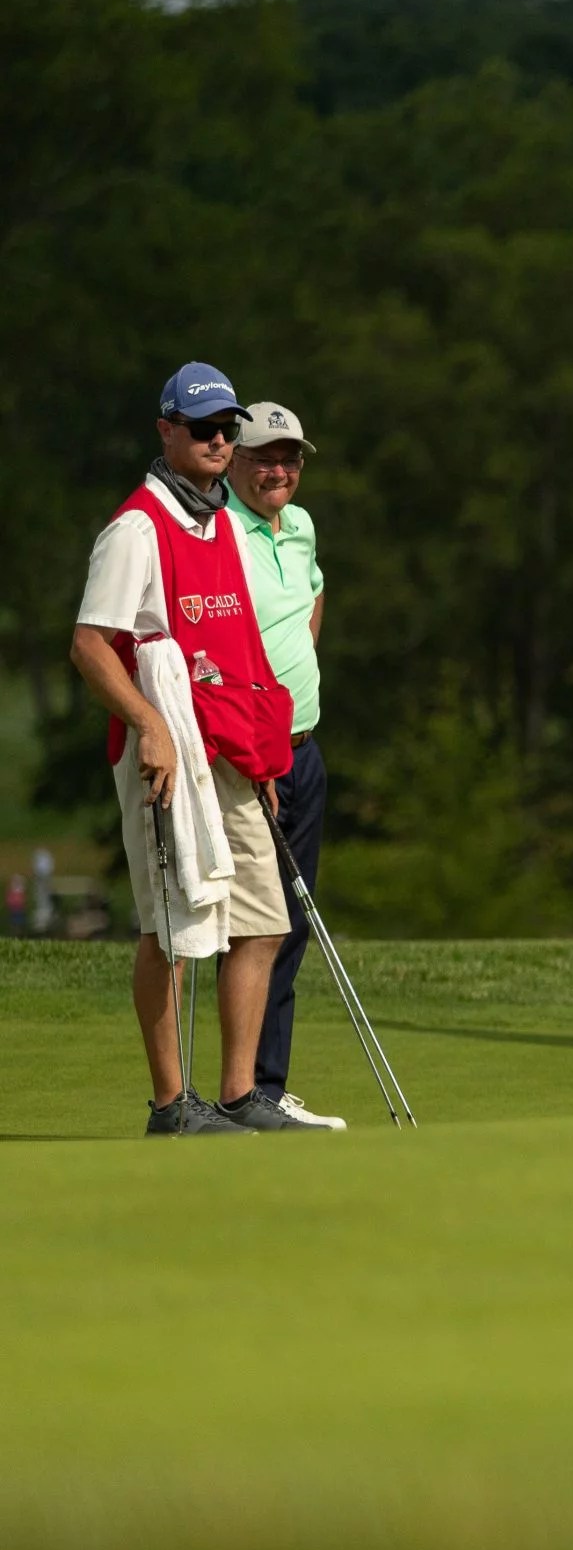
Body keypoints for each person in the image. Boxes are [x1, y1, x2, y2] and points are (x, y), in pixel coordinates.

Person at [67, 363, 305, 1135]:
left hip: (231, 753)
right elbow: (90, 645)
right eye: (200, 427)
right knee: (170, 927)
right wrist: (151, 724)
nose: (215, 440)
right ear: (166, 430)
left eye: (224, 428)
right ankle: (171, 1104)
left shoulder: (225, 522)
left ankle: (239, 1094)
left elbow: (237, 648)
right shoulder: (136, 527)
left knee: (263, 919)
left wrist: (266, 755)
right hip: (163, 755)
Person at [227, 401, 345, 1129]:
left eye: (291, 457)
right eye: (266, 456)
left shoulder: (297, 527)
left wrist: (296, 680)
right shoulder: (219, 535)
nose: (280, 469)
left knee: (290, 924)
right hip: (252, 758)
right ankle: (247, 1090)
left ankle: (266, 1086)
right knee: (256, 923)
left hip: (305, 748)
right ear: (234, 460)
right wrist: (258, 736)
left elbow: (314, 594)